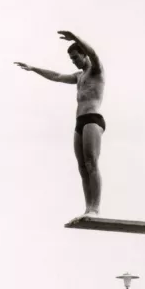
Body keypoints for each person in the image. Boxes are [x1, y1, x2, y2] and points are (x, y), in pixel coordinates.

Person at [14, 30, 106, 218]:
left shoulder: (96, 70)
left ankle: (96, 208)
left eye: (75, 57)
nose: (74, 61)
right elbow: (56, 76)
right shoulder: (79, 77)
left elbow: (94, 53)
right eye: (71, 59)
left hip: (92, 119)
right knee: (82, 166)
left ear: (83, 55)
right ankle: (88, 208)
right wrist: (33, 68)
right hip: (79, 122)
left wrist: (76, 38)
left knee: (91, 162)